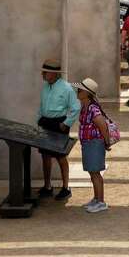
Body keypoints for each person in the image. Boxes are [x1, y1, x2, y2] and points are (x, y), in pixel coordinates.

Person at [36, 58, 79, 200]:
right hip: (46, 123)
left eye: (45, 72)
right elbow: (41, 105)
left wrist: (66, 123)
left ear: (54, 74)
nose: (43, 75)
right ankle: (47, 186)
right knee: (45, 156)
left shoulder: (66, 88)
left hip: (59, 124)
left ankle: (66, 187)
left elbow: (75, 107)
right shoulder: (45, 87)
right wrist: (39, 119)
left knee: (61, 156)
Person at [73, 77, 113, 213]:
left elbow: (102, 125)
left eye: (80, 90)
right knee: (92, 171)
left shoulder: (92, 108)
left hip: (94, 143)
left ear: (87, 93)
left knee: (95, 172)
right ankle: (96, 198)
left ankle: (101, 201)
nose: (77, 91)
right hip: (88, 143)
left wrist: (107, 142)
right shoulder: (85, 107)